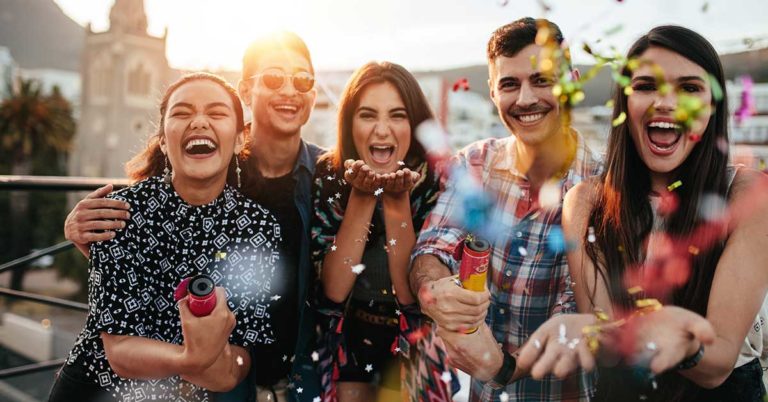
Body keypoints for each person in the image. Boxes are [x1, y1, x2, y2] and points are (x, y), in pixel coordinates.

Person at [64, 32, 324, 402]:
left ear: (237, 137)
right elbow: (118, 347)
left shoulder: (267, 219)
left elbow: (237, 359)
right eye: (183, 113)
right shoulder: (123, 211)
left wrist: (204, 360)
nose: (200, 122)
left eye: (216, 113)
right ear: (163, 139)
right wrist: (195, 357)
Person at [515, 25, 768, 401]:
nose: (665, 103)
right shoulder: (585, 202)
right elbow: (604, 340)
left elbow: (718, 363)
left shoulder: (747, 194)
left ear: (713, 107)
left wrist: (684, 341)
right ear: (624, 103)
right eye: (647, 86)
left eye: (689, 88)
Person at [408, 17, 603, 401]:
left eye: (542, 80)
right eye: (510, 84)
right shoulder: (474, 163)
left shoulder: (607, 181)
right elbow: (434, 246)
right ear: (493, 93)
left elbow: (585, 312)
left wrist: (503, 368)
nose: (526, 99)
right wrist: (435, 288)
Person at [310, 61, 441, 401]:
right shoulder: (328, 174)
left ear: (414, 123)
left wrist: (397, 202)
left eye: (397, 116)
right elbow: (334, 291)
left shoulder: (434, 180)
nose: (382, 129)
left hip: (413, 340)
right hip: (346, 334)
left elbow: (411, 299)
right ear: (349, 122)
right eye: (367, 115)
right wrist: (363, 196)